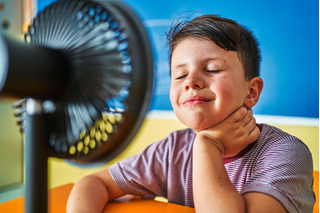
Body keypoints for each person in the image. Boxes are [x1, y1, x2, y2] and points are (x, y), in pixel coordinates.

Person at [67, 14, 315, 213]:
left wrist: (208, 145)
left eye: (212, 69)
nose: (191, 82)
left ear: (251, 91)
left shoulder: (286, 153)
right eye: (180, 74)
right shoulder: (172, 150)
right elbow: (93, 184)